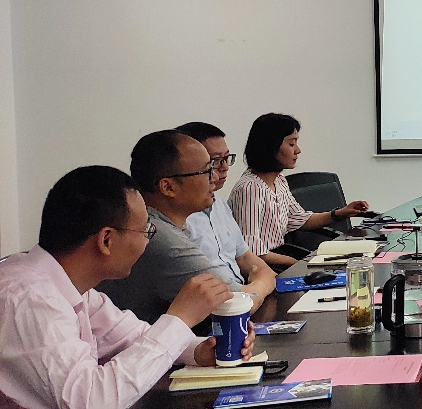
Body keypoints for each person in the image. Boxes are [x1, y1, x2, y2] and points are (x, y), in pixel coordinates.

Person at [0, 166, 254, 409]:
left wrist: (201, 350)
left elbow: (132, 337)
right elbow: (90, 401)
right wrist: (180, 319)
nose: (147, 241)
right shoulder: (29, 299)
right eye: (146, 231)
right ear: (106, 240)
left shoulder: (72, 288)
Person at [96, 130, 243, 324]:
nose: (215, 178)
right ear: (168, 187)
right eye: (207, 171)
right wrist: (264, 281)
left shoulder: (172, 225)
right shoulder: (156, 236)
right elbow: (235, 304)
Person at [229, 113, 369, 269]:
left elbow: (300, 219)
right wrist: (299, 264)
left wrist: (340, 213)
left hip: (279, 256)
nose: (298, 150)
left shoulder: (279, 180)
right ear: (270, 147)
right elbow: (252, 251)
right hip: (261, 267)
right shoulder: (250, 189)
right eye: (291, 144)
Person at [175, 121, 276, 312]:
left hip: (247, 297)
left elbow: (245, 257)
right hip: (223, 310)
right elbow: (232, 302)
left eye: (226, 158)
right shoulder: (178, 221)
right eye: (214, 162)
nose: (224, 168)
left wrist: (265, 279)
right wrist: (262, 284)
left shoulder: (220, 205)